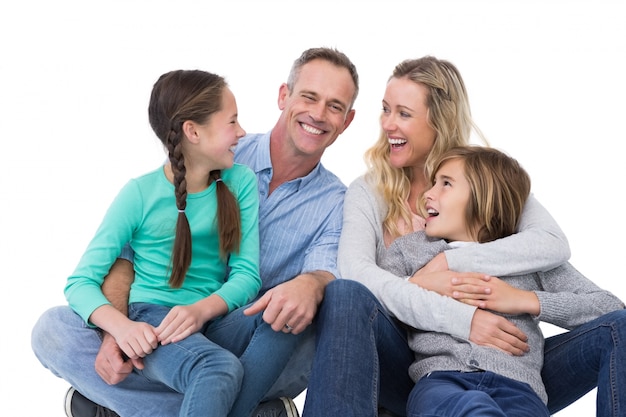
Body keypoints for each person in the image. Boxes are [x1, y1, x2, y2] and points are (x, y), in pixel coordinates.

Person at [31, 47, 359, 417]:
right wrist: (116, 331)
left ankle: (116, 404)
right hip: (155, 323)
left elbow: (293, 276)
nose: (318, 114)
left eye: (334, 106)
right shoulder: (218, 152)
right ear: (284, 96)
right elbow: (130, 250)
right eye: (309, 97)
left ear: (347, 121)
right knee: (52, 329)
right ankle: (241, 409)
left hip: (240, 333)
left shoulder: (335, 201)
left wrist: (311, 284)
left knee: (297, 320)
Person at [303, 55, 626, 417]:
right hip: (428, 370)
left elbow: (555, 246)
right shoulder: (385, 214)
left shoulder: (492, 184)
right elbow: (357, 276)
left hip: (516, 367)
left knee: (621, 327)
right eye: (385, 109)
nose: (387, 124)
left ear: (439, 121)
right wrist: (438, 297)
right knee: (345, 294)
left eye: (404, 113)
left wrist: (513, 295)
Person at [38, 69, 269, 416]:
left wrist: (201, 310)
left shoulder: (240, 182)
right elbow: (80, 282)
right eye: (232, 122)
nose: (242, 133)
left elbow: (247, 274)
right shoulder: (140, 194)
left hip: (213, 320)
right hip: (155, 323)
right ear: (193, 131)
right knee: (217, 369)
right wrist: (122, 328)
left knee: (286, 319)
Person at [380, 145, 624, 416]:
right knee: (471, 408)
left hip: (519, 387)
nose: (428, 193)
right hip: (441, 380)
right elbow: (377, 302)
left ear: (486, 200)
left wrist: (524, 300)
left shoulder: (527, 256)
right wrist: (421, 284)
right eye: (433, 183)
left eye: (446, 184)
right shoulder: (411, 250)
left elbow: (610, 308)